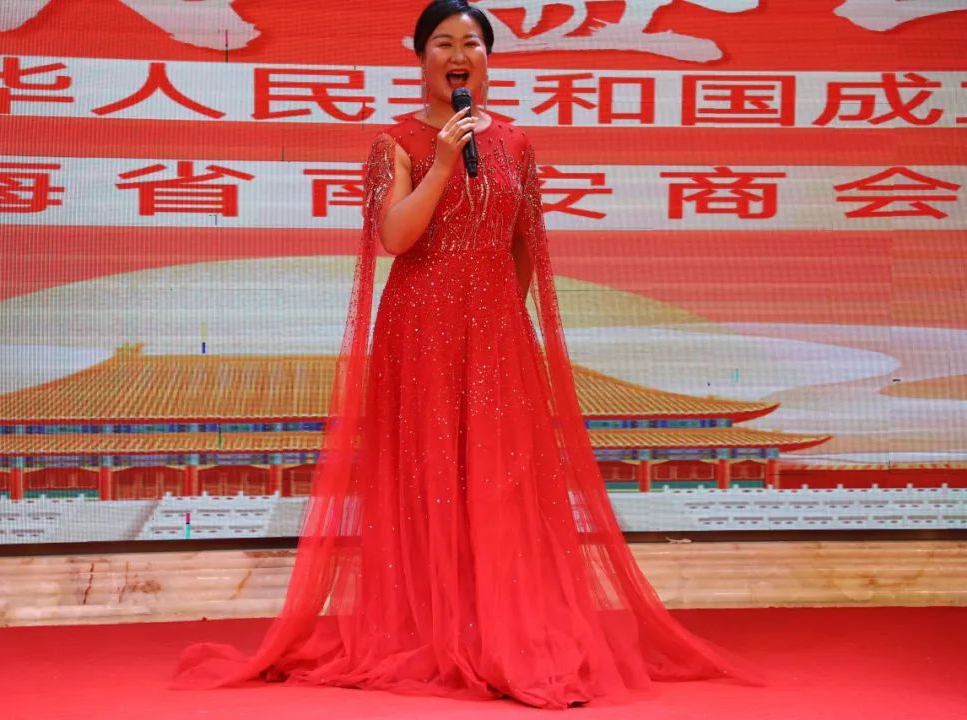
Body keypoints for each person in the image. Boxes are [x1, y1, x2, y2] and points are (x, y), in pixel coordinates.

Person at [173, 0, 764, 709]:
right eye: (444, 44)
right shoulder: (395, 142)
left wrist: (498, 319)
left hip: (495, 335)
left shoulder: (515, 144)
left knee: (501, 481)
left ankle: (505, 631)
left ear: (488, 58)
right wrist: (445, 161)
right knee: (428, 477)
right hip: (418, 328)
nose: (459, 56)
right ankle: (432, 631)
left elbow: (524, 245)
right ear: (421, 57)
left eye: (473, 44)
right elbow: (394, 238)